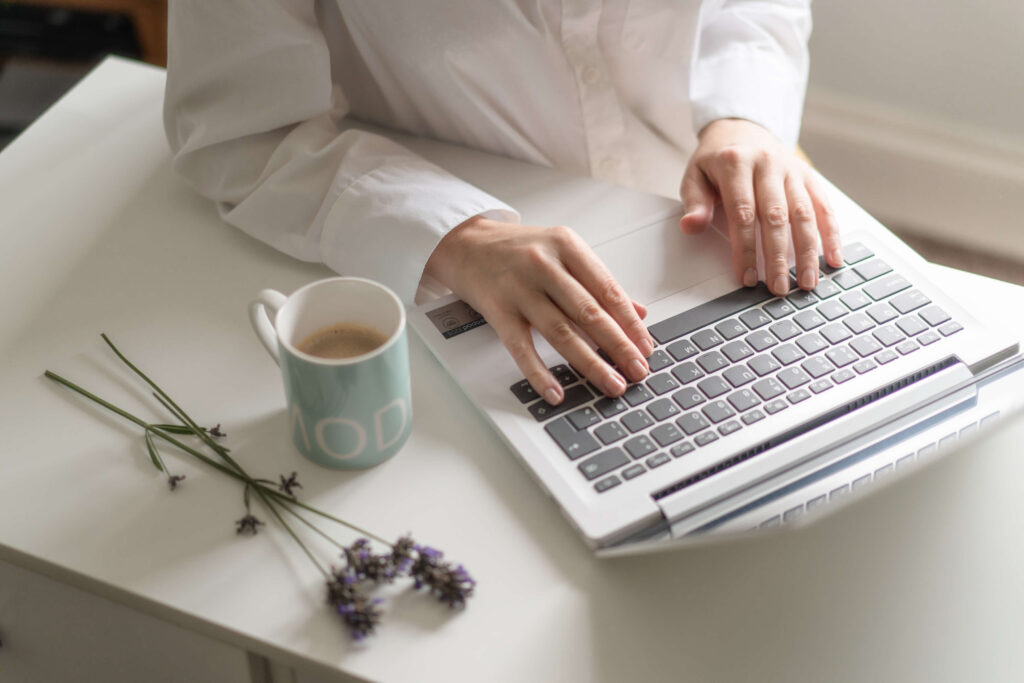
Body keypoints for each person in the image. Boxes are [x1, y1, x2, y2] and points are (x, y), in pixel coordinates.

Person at [164, 0, 840, 406]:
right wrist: (458, 238)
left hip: (713, 203)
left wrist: (745, 112)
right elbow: (238, 129)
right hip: (464, 230)